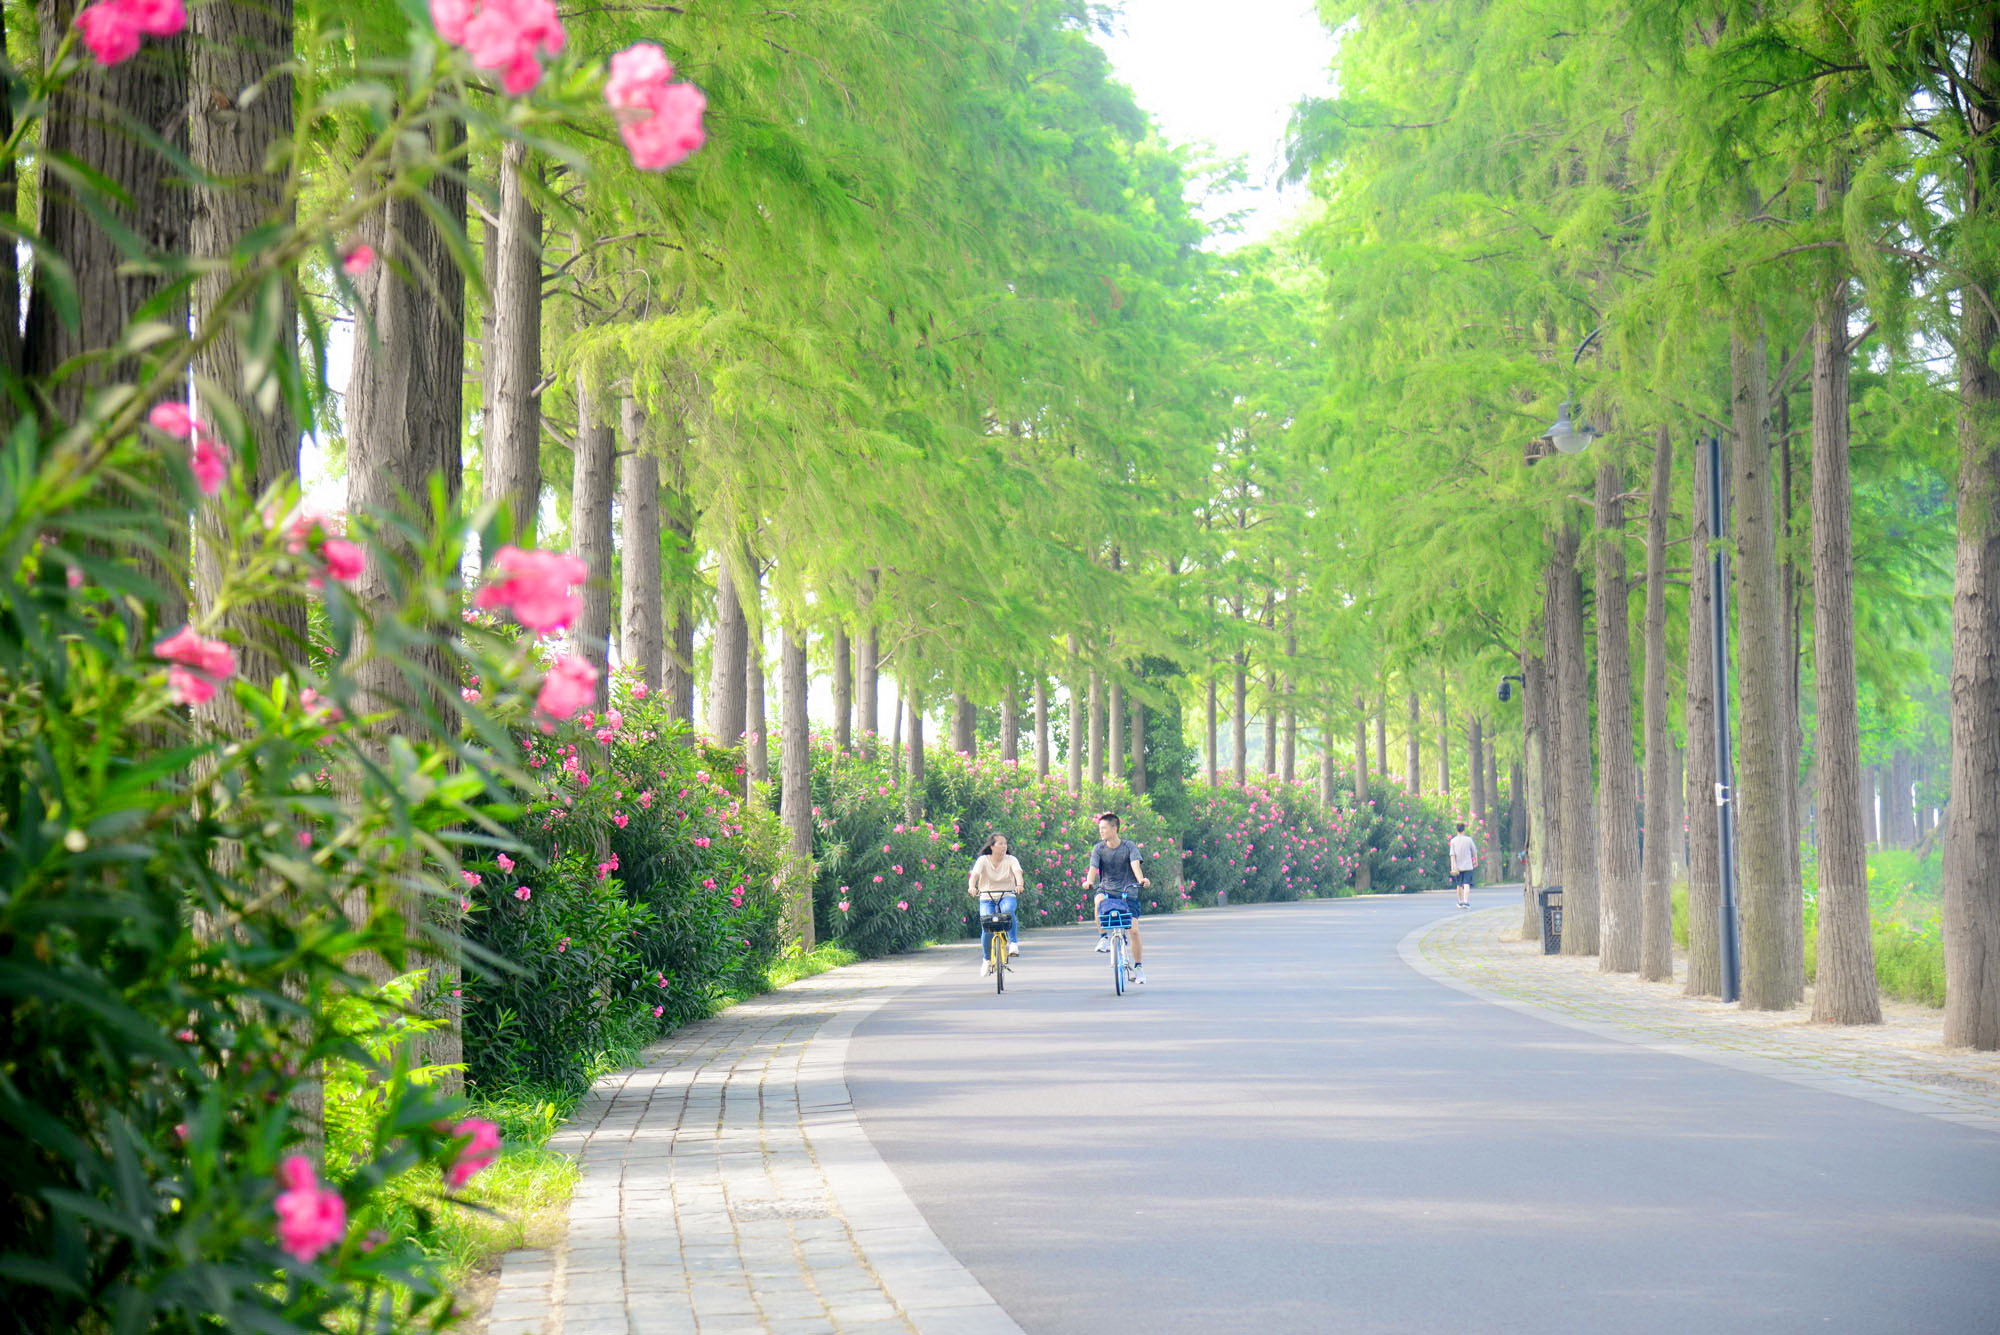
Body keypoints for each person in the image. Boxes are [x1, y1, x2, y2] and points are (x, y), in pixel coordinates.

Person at [1083, 811, 1149, 984]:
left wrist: (1141, 879)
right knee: (1098, 901)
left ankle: (1139, 967)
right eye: (1100, 829)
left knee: (1133, 930)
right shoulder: (1099, 848)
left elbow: (1135, 865)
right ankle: (1103, 938)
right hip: (1107, 890)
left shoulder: (1129, 847)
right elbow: (1093, 869)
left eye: (1104, 828)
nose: (1101, 832)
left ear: (1114, 828)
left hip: (1128, 893)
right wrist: (1089, 881)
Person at [968, 832, 1024, 976]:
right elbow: (974, 875)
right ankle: (986, 959)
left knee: (1008, 911)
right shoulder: (983, 860)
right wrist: (972, 887)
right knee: (987, 924)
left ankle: (1013, 943)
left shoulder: (1011, 859)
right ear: (992, 846)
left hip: (1007, 894)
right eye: (1000, 843)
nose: (1004, 846)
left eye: (1005, 843)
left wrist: (1019, 885)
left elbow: (1018, 873)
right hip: (987, 896)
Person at [1449, 822, 1479, 908]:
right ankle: (1466, 902)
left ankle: (1460, 901)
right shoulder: (1468, 840)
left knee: (1459, 884)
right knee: (1466, 884)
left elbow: (1452, 855)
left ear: (1456, 830)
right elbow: (1474, 851)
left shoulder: (1453, 841)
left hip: (1458, 866)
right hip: (1468, 865)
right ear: (1464, 830)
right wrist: (1475, 861)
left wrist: (1453, 866)